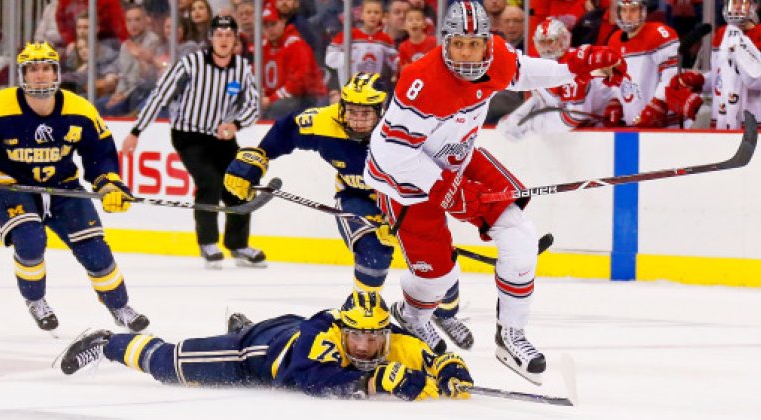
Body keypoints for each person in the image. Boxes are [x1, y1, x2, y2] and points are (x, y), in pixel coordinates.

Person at [363, 0, 624, 384]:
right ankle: (412, 317)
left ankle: (511, 335)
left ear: (487, 42)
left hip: (461, 159)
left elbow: (524, 72)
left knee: (519, 235)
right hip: (408, 180)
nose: (468, 53)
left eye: (475, 44)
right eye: (458, 45)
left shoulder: (497, 58)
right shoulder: (422, 82)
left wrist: (575, 65)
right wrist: (443, 188)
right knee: (436, 279)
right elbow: (389, 151)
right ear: (445, 43)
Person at [224, 72, 475, 351]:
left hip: (405, 200)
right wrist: (258, 156)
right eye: (351, 111)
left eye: (364, 113)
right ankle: (364, 322)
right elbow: (287, 128)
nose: (355, 120)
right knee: (373, 251)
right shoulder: (326, 122)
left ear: (382, 111)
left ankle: (445, 314)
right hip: (356, 198)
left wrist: (403, 217)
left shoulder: (407, 128)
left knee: (437, 259)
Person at [0, 42, 150, 333]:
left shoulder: (80, 110)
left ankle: (119, 306)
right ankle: (36, 300)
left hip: (62, 187)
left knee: (95, 250)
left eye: (45, 68)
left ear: (56, 73)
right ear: (22, 75)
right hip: (10, 185)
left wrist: (109, 183)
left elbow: (100, 155)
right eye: (32, 69)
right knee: (30, 239)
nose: (39, 75)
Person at [58, 291, 474, 401]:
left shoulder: (385, 337)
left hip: (284, 331)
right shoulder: (320, 341)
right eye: (358, 336)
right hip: (255, 355)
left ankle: (246, 323)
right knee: (170, 366)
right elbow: (306, 379)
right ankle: (109, 343)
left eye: (374, 337)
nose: (366, 346)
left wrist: (448, 367)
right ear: (342, 330)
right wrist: (374, 383)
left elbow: (421, 354)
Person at [121, 16, 264, 269]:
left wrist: (236, 125)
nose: (223, 39)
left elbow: (253, 105)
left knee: (240, 182)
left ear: (235, 40)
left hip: (222, 138)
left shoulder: (242, 68)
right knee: (209, 183)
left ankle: (238, 244)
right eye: (218, 34)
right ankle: (208, 242)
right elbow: (160, 96)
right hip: (189, 136)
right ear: (210, 38)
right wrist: (136, 131)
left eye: (228, 35)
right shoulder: (190, 64)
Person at [497, 18, 618, 139]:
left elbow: (573, 117)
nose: (545, 48)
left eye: (551, 41)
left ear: (564, 40)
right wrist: (516, 118)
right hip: (584, 133)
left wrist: (530, 125)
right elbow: (541, 101)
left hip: (604, 128)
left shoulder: (575, 63)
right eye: (542, 42)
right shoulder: (544, 65)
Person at [603, 0, 681, 128]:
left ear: (642, 11)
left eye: (633, 10)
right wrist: (615, 101)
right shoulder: (613, 41)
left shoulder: (660, 34)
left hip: (664, 125)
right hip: (633, 122)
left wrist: (659, 104)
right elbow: (615, 82)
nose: (628, 15)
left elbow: (672, 75)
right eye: (624, 10)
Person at [704, 0, 761, 129]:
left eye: (743, 2)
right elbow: (719, 77)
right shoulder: (721, 34)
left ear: (754, 6)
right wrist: (697, 81)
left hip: (757, 120)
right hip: (724, 118)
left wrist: (742, 51)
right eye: (733, 2)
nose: (737, 7)